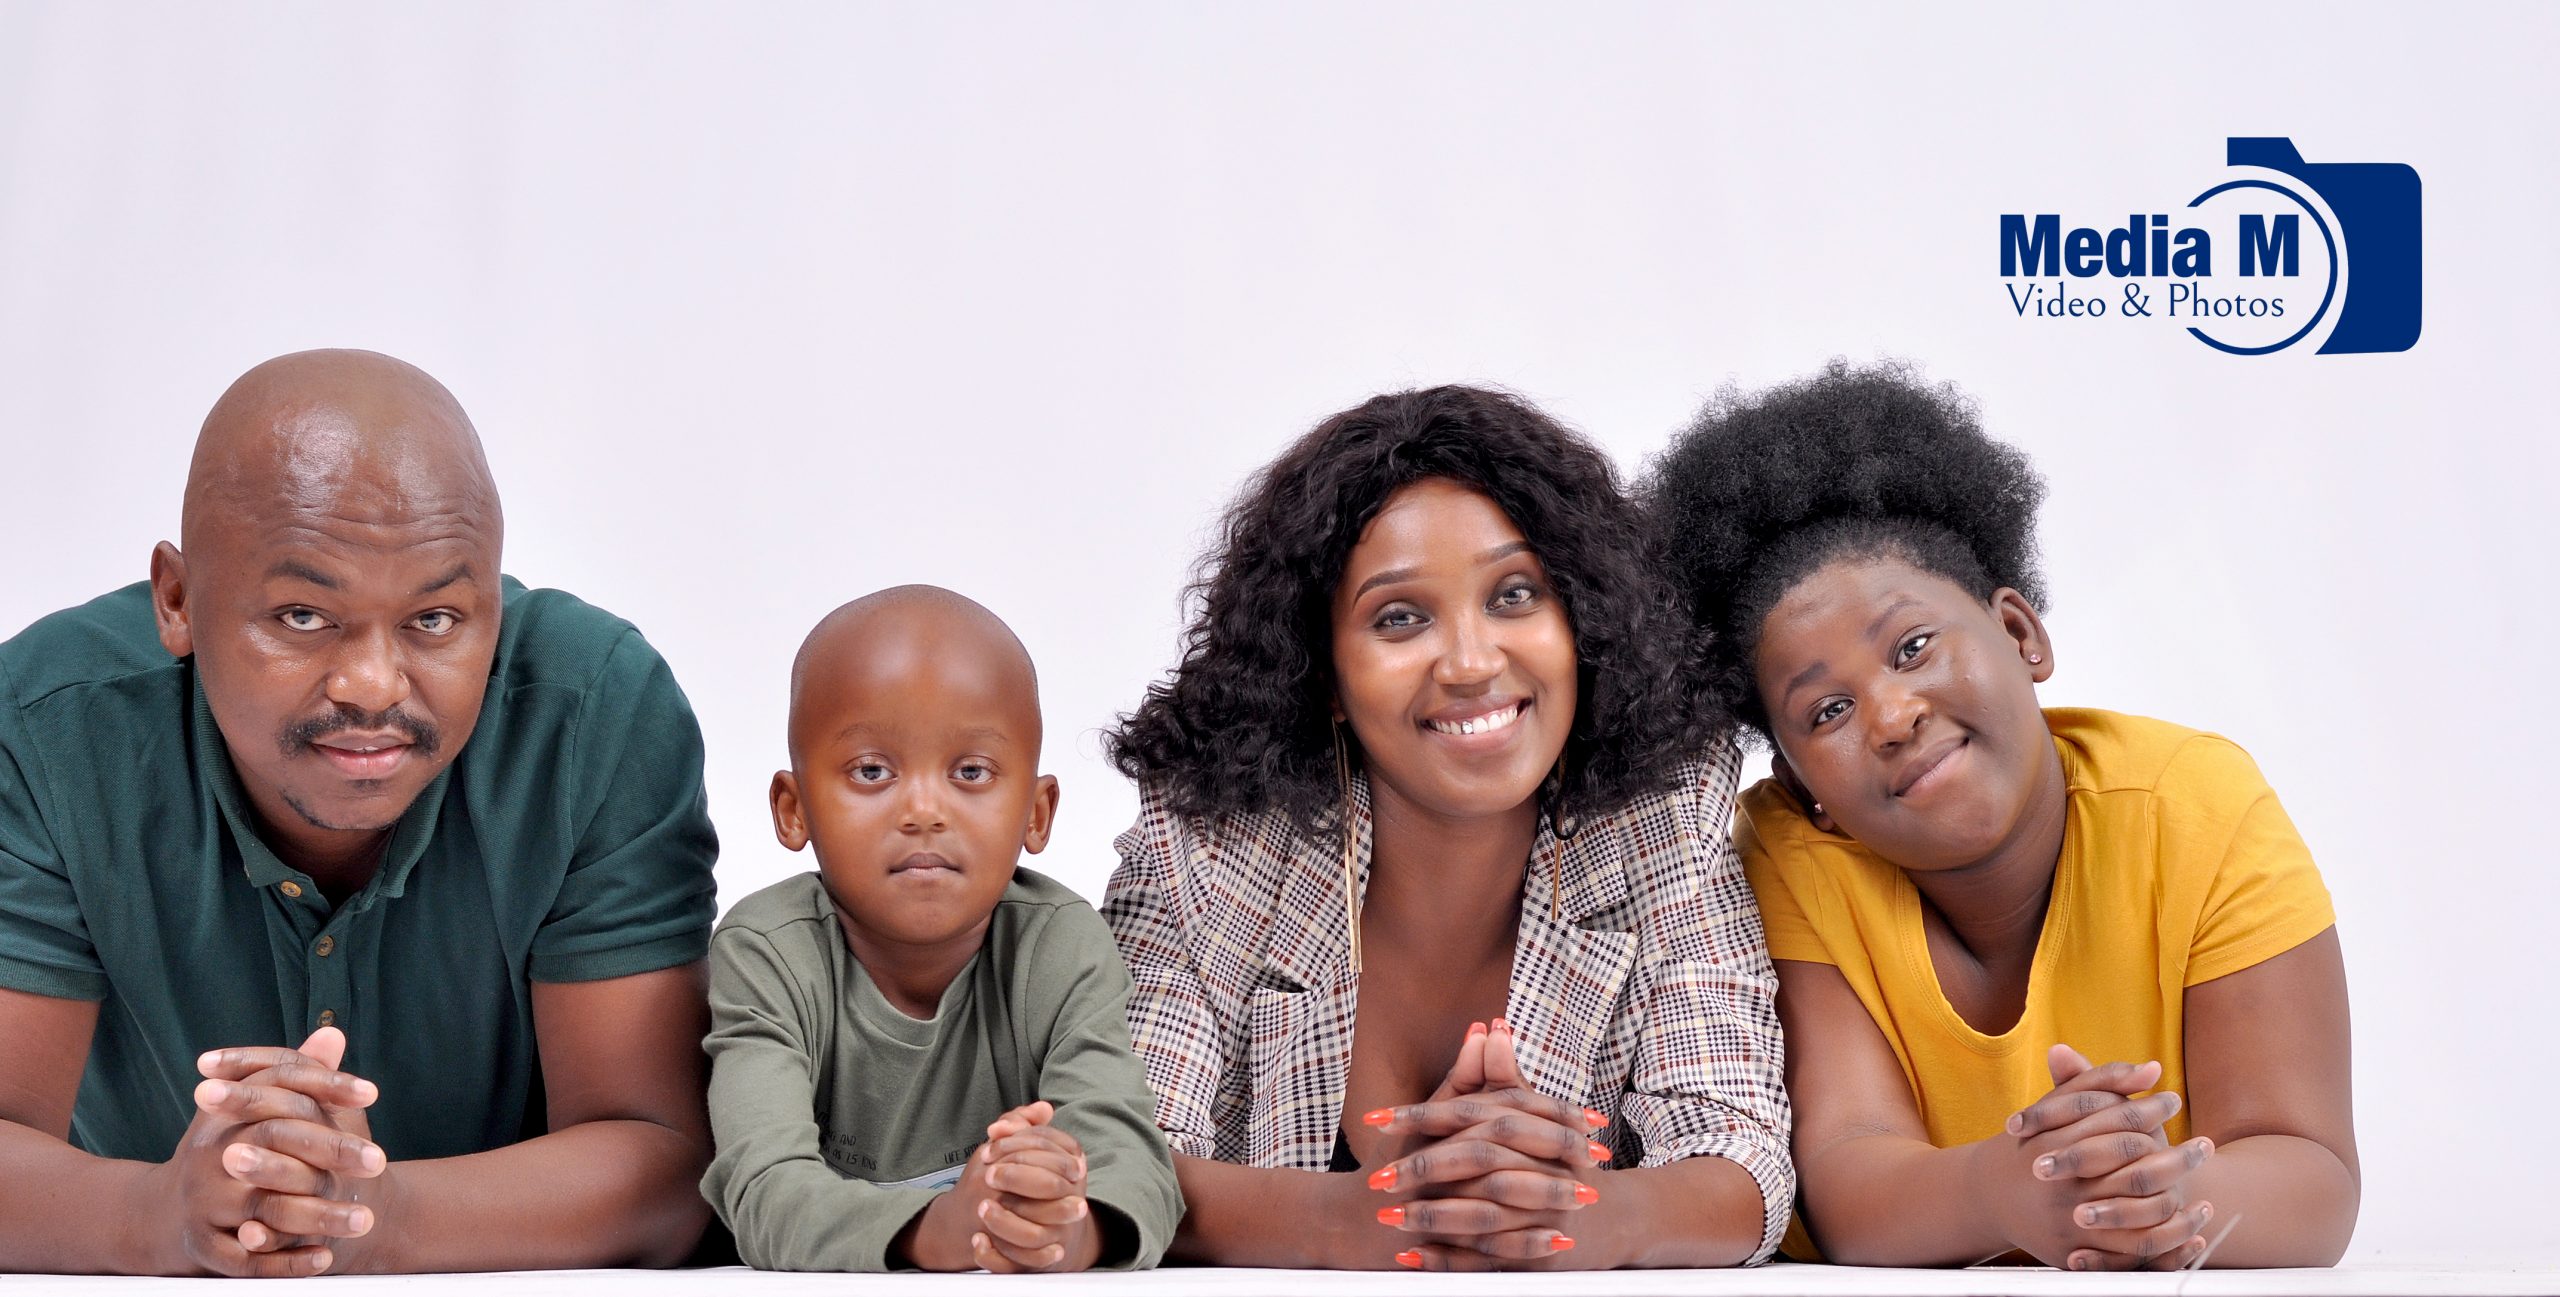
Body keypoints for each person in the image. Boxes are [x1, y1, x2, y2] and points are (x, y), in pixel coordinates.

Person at [0, 350, 720, 1276]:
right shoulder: (47, 728)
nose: (373, 686)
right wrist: (160, 1215)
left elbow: (666, 1159)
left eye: (435, 619)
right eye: (303, 615)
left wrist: (376, 1216)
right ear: (177, 600)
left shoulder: (594, 717)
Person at [1643, 360, 2358, 1270]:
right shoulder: (1787, 856)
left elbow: (2311, 1172)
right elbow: (1846, 1179)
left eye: (1913, 646)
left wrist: (2153, 1196)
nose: (1891, 716)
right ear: (1801, 782)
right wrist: (2008, 1189)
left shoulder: (2195, 806)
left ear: (2021, 634)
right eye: (1827, 711)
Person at [1102, 386, 1792, 1271]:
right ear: (1325, 674)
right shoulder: (1206, 848)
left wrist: (1580, 1214)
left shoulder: (1661, 819)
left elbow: (1745, 1153)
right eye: (1400, 617)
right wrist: (1346, 1218)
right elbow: (1117, 1154)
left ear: (1580, 618)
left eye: (1515, 594)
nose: (1470, 662)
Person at [702, 586, 1181, 1273]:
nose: (924, 810)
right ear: (793, 808)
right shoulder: (767, 953)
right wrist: (944, 1227)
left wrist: (1068, 1227)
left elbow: (1133, 1161)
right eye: (872, 770)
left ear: (1037, 813)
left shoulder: (1060, 945)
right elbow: (764, 1193)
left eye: (971, 771)